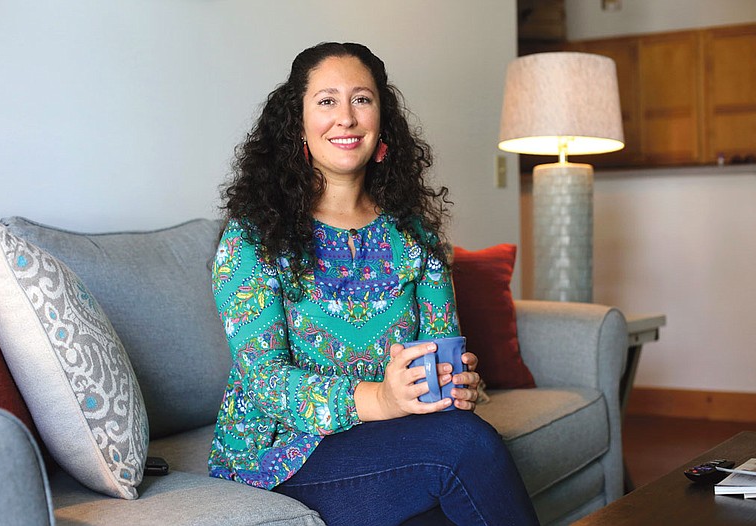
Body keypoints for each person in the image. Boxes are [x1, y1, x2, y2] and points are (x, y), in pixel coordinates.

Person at [210, 41, 539, 526]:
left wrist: (460, 384)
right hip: (280, 453)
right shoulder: (254, 236)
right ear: (296, 123)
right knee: (464, 445)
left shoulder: (414, 235)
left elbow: (438, 347)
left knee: (450, 484)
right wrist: (381, 398)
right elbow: (264, 382)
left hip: (389, 438)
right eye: (326, 101)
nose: (346, 117)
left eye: (361, 99)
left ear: (382, 120)